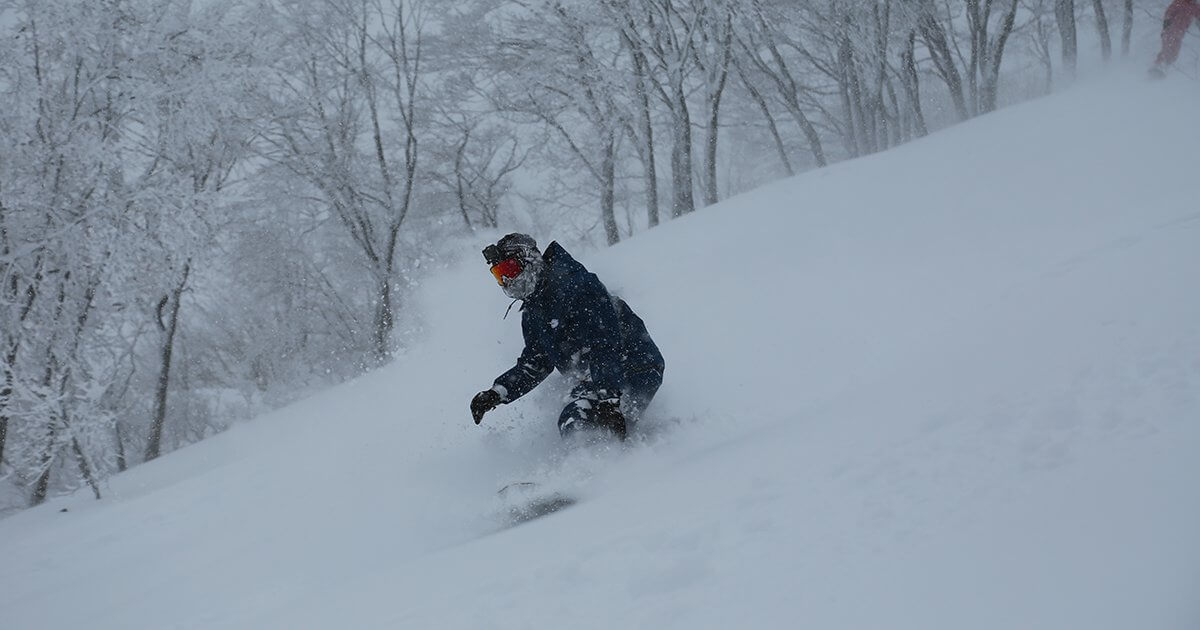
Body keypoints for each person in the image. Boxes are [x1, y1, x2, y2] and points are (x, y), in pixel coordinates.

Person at [470, 233, 664, 441]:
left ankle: (617, 464)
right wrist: (498, 393)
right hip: (598, 379)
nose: (507, 280)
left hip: (634, 365)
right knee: (578, 420)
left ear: (529, 261)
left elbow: (604, 342)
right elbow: (537, 362)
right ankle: (604, 460)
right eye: (499, 275)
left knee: (581, 420)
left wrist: (609, 398)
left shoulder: (578, 285)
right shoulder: (534, 309)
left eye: (510, 270)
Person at [1150, 0, 1200, 77]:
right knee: (1167, 48)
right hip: (1170, 29)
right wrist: (1166, 23)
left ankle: (1166, 68)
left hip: (1180, 32)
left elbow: (1198, 16)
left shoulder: (1195, 6)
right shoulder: (1179, 2)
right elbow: (1169, 12)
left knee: (1175, 52)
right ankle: (1158, 66)